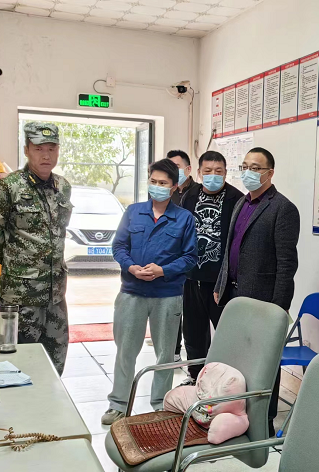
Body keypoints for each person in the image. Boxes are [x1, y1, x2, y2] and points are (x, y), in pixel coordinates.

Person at [102, 158, 197, 425]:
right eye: (153, 181)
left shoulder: (184, 219)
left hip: (167, 295)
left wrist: (162, 270)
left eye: (163, 183)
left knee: (165, 355)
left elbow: (190, 257)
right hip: (132, 292)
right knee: (125, 351)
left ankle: (160, 405)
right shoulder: (133, 212)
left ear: (174, 187)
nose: (157, 186)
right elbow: (119, 247)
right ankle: (118, 404)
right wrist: (131, 267)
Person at [214, 147, 300, 437]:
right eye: (245, 166)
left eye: (256, 168)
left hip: (263, 300)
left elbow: (287, 264)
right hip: (234, 296)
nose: (248, 172)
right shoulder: (242, 202)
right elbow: (231, 249)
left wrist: (278, 308)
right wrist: (221, 285)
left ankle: (264, 422)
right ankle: (236, 415)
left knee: (264, 364)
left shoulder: (283, 208)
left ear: (270, 173)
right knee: (237, 359)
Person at [0, 122, 72, 375]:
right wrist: (19, 264)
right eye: (39, 148)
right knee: (18, 364)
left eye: (52, 149)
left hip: (55, 295)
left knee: (55, 362)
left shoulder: (63, 187)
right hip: (21, 297)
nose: (46, 155)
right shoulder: (7, 188)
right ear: (26, 150)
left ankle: (51, 401)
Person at [179, 151, 244, 385]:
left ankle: (226, 382)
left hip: (221, 281)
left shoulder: (237, 199)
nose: (213, 175)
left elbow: (237, 241)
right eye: (207, 171)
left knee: (225, 334)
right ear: (199, 172)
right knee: (193, 332)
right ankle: (195, 375)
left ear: (226, 173)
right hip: (191, 277)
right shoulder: (189, 196)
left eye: (218, 171)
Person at [167, 149, 195, 360]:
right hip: (171, 262)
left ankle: (195, 357)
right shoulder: (168, 192)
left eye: (176, 167)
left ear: (188, 169)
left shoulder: (198, 193)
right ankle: (173, 351)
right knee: (172, 308)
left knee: (192, 313)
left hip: (192, 261)